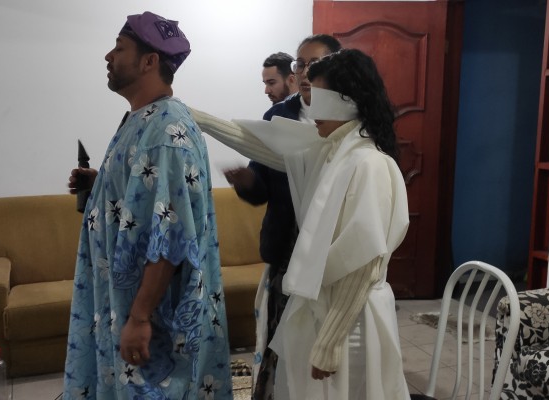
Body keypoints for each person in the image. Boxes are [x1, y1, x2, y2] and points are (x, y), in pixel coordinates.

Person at [192, 48, 410, 399]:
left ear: (346, 101)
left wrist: (329, 342)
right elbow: (265, 148)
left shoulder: (368, 163)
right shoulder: (332, 150)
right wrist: (195, 118)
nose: (309, 107)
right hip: (325, 311)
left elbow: (363, 262)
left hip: (350, 322)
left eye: (319, 97)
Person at [63, 12, 232, 399]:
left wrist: (139, 317)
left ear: (149, 61)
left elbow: (171, 236)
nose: (109, 56)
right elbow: (150, 198)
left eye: (119, 48)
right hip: (125, 304)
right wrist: (102, 184)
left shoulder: (166, 132)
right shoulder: (144, 120)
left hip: (152, 317)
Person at [222, 34, 341, 400]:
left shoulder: (348, 119)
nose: (304, 72)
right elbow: (261, 187)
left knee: (322, 348)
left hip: (332, 254)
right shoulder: (278, 116)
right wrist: (247, 182)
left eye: (314, 64)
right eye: (300, 64)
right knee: (281, 343)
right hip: (286, 250)